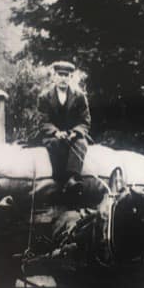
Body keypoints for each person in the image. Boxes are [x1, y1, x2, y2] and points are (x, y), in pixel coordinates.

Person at [37, 61, 92, 198]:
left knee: (81, 144)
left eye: (66, 75)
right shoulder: (44, 97)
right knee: (55, 144)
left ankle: (73, 179)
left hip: (73, 134)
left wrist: (75, 132)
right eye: (60, 75)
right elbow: (42, 121)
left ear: (70, 77)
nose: (63, 78)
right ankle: (59, 180)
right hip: (52, 135)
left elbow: (85, 120)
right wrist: (55, 132)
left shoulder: (79, 97)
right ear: (54, 76)